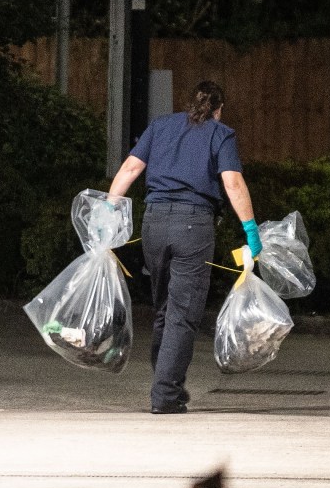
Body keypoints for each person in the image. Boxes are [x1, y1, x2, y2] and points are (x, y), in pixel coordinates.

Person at [107, 81, 262, 415]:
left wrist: (107, 211)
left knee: (165, 306)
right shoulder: (221, 134)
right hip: (193, 227)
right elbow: (233, 183)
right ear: (218, 109)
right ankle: (165, 394)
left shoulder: (161, 126)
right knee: (182, 312)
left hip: (154, 223)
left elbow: (130, 168)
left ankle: (166, 379)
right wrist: (251, 230)